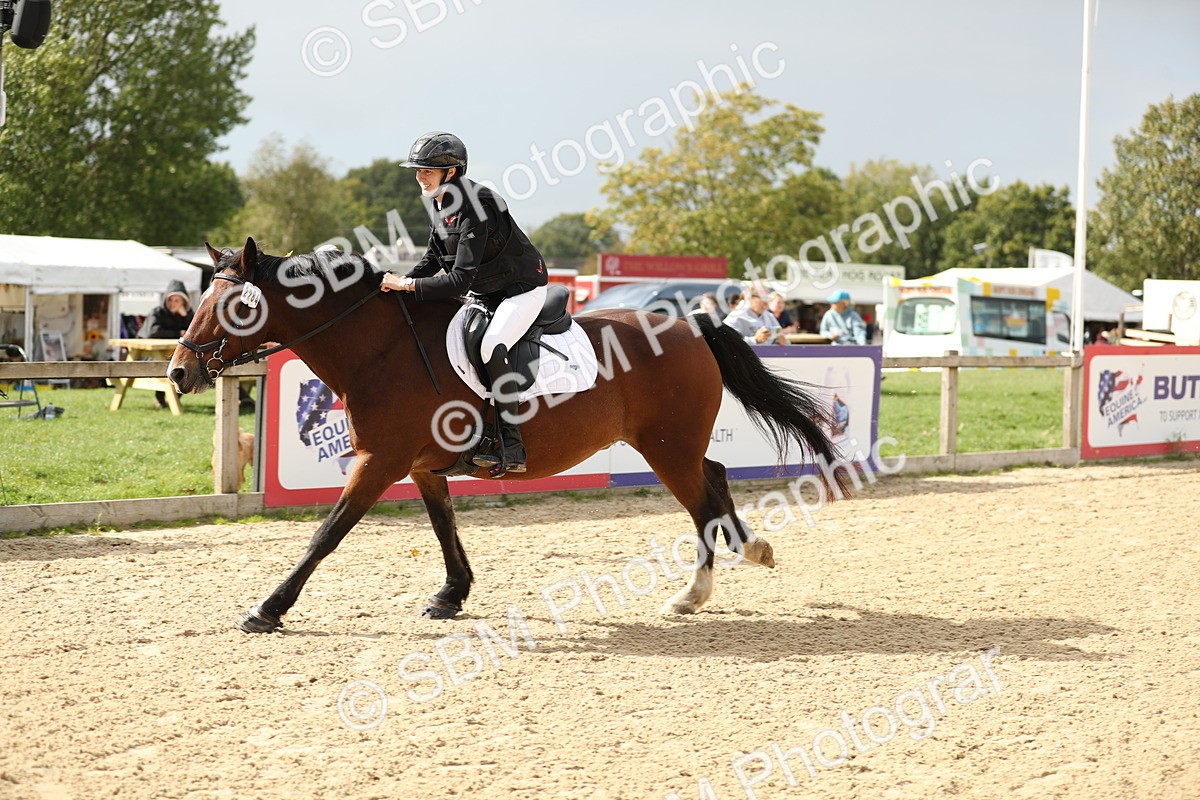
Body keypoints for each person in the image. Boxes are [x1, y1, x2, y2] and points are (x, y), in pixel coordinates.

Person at [380, 132, 548, 474]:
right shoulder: (440, 202)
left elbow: (459, 280)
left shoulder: (478, 204)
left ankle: (511, 444)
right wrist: (399, 286)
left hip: (521, 290)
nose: (419, 176)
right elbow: (433, 257)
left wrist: (409, 285)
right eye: (418, 169)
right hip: (487, 293)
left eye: (426, 170)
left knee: (491, 345)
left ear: (452, 172)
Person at [139, 280, 194, 409]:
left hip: (173, 355)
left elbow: (193, 333)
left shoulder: (187, 315)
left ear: (183, 302)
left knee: (185, 367)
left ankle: (173, 398)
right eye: (170, 300)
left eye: (176, 300)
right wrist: (178, 332)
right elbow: (153, 332)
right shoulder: (157, 312)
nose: (172, 303)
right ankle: (161, 398)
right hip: (149, 355)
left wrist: (185, 316)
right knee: (167, 365)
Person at [723, 285, 788, 345]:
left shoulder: (769, 316)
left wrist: (782, 341)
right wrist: (754, 340)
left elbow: (785, 342)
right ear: (750, 298)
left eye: (768, 298)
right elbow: (726, 343)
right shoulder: (735, 317)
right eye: (763, 298)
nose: (766, 302)